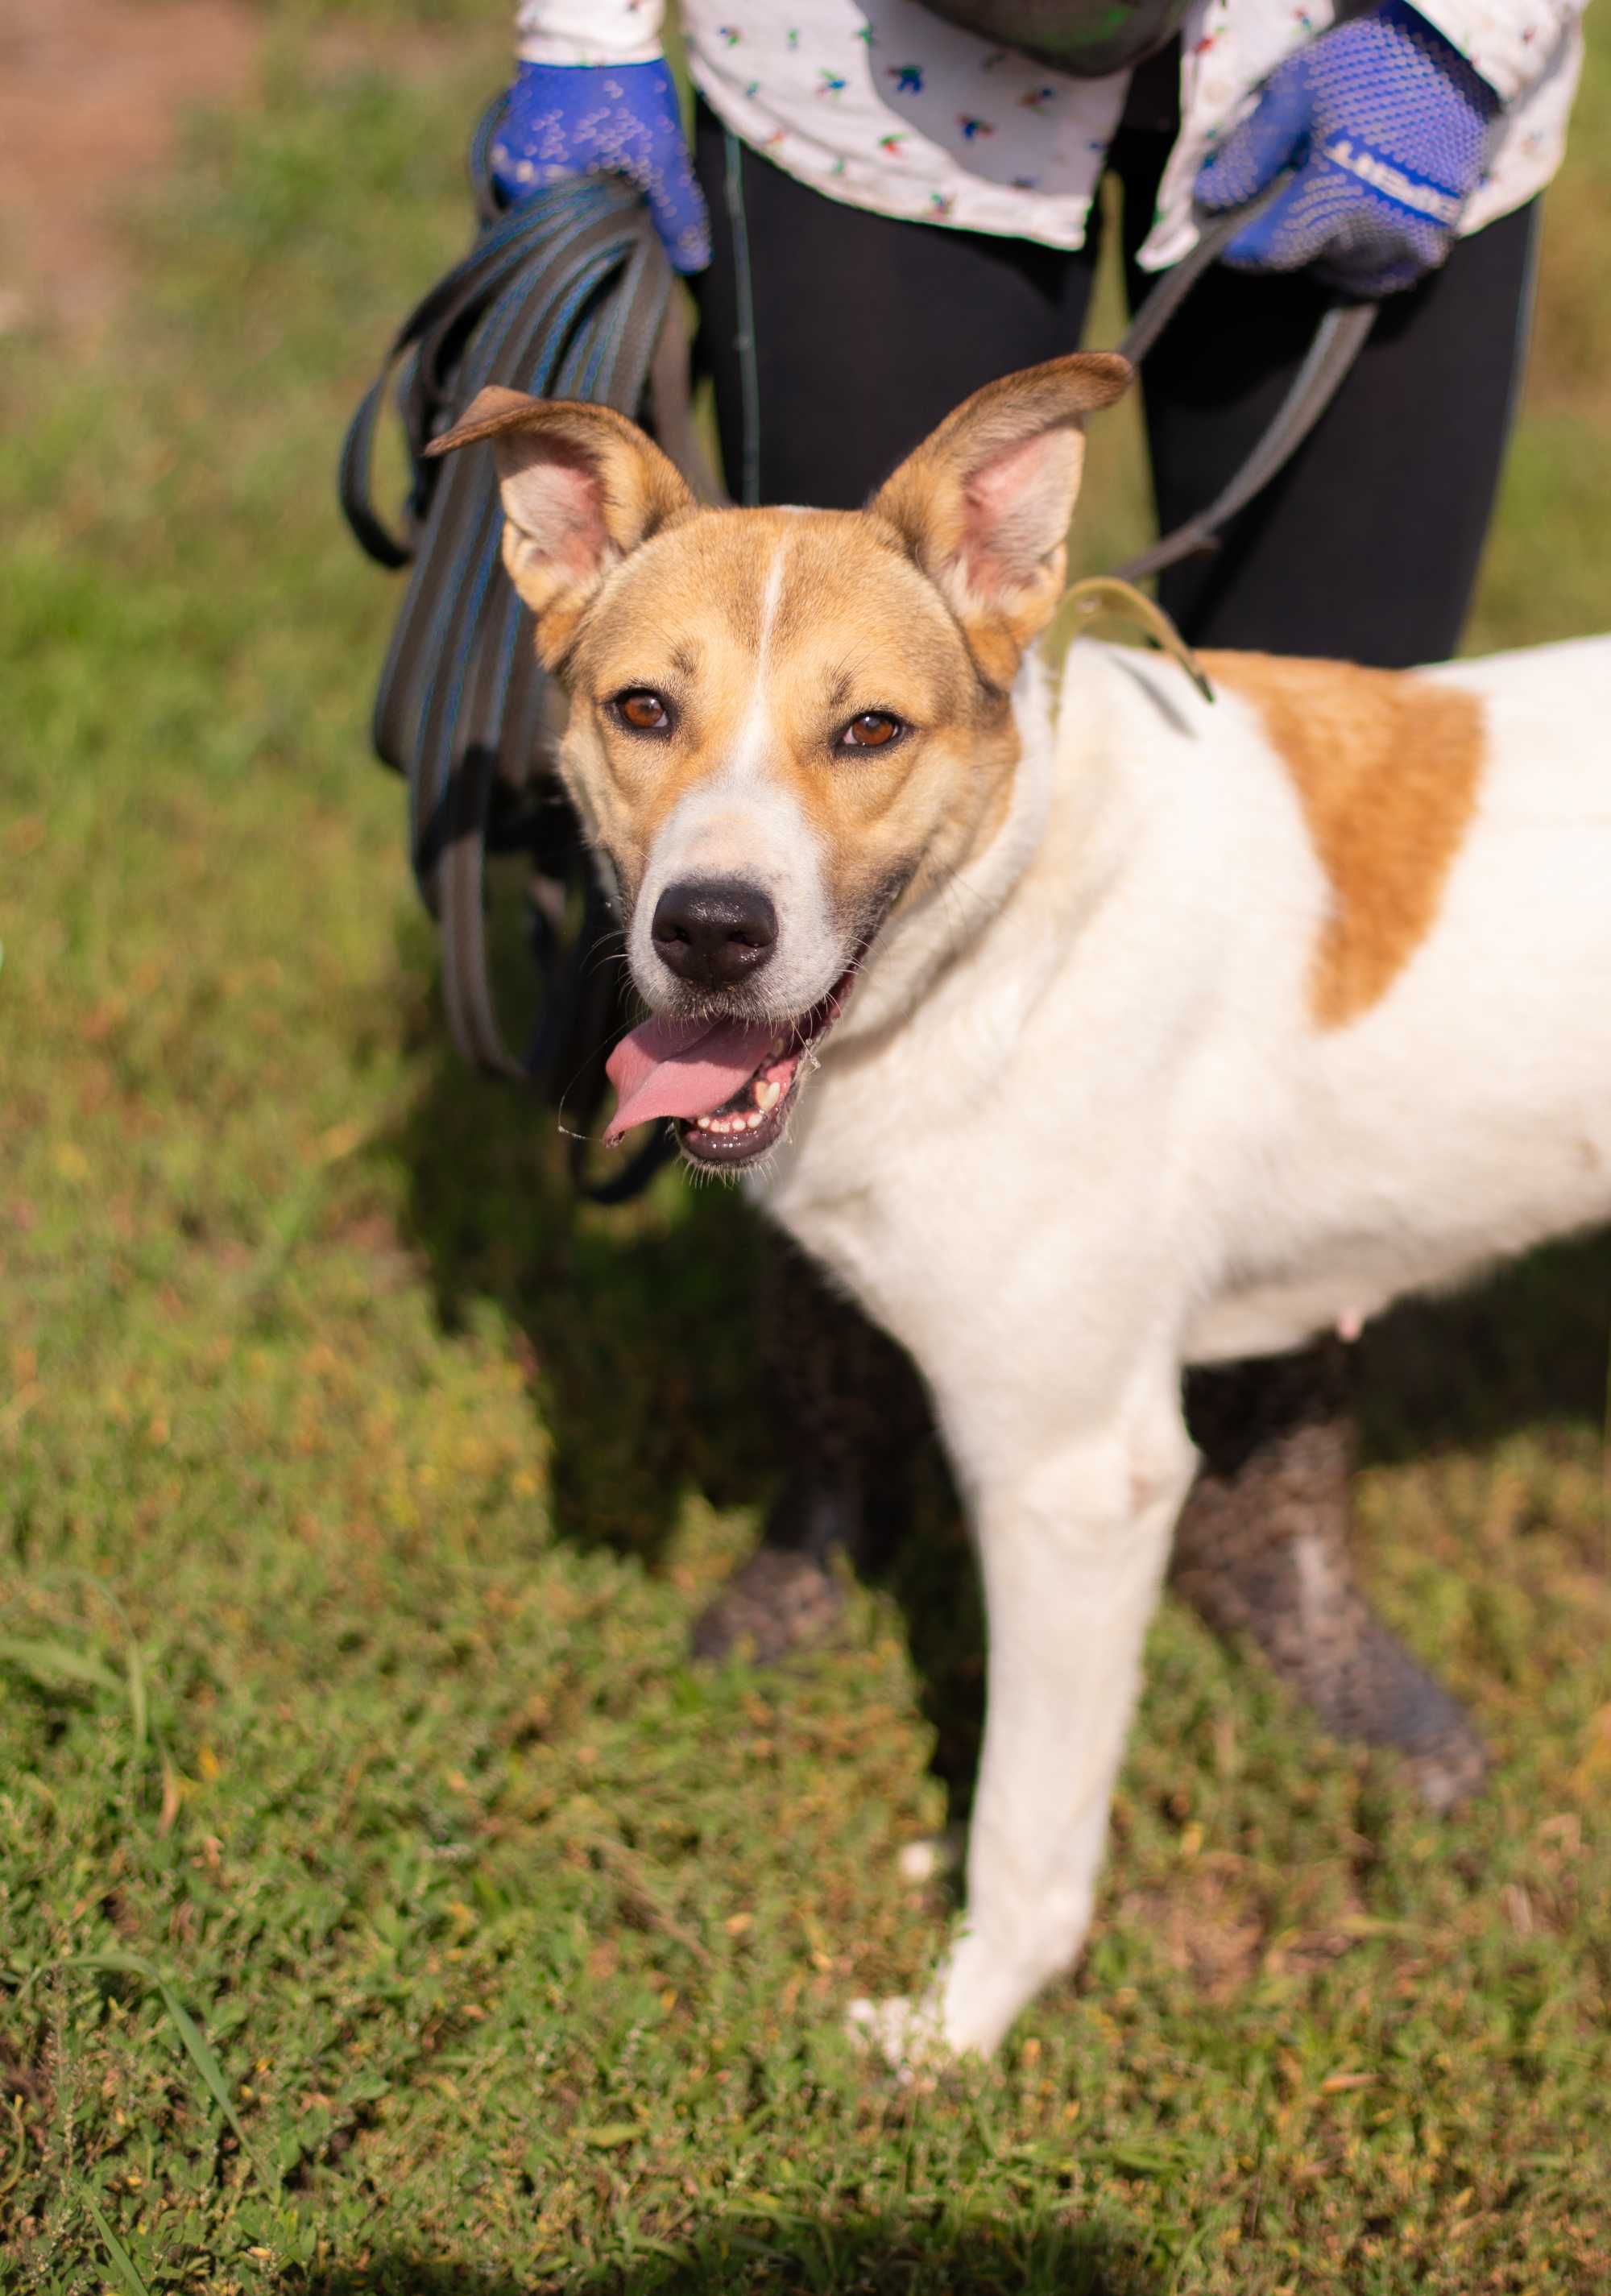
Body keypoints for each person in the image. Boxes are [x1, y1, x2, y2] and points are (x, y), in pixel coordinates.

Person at [478, 0, 1585, 1799]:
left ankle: (1260, 1495)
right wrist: (584, 28)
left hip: (1377, 43)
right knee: (799, 668)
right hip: (871, 69)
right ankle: (843, 1467)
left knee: (1335, 841)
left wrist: (1462, 35)